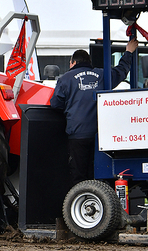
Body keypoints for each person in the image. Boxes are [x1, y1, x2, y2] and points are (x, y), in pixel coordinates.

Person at [50, 38, 138, 186]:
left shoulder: (65, 79)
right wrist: (128, 52)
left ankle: (81, 204)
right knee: (98, 174)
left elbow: (56, 104)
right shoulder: (102, 75)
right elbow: (121, 71)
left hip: (77, 135)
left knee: (78, 176)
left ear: (73, 62)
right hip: (100, 137)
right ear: (88, 62)